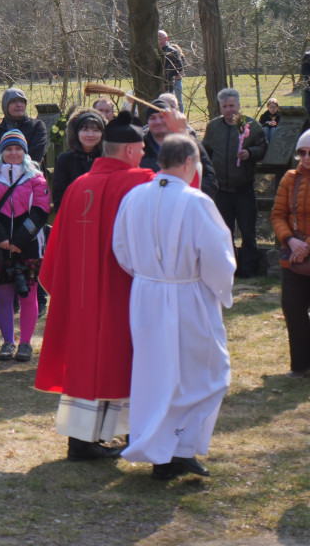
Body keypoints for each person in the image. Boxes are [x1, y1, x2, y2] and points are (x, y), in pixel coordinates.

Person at [34, 109, 184, 461]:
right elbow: (184, 191)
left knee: (88, 359)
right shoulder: (142, 182)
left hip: (82, 296)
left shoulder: (77, 185)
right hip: (126, 293)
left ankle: (81, 439)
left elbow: (55, 255)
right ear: (133, 151)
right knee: (130, 360)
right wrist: (181, 133)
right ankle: (137, 433)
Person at [113, 135, 235, 482]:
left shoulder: (134, 197)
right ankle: (173, 450)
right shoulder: (196, 202)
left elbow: (120, 248)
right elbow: (217, 258)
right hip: (187, 295)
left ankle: (166, 450)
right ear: (188, 163)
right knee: (206, 373)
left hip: (147, 294)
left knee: (155, 373)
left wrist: (146, 277)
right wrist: (219, 291)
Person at [0, 129, 51, 363]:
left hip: (27, 244)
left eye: (18, 148)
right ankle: (7, 342)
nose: (13, 152)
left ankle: (25, 343)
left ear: (25, 151)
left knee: (27, 293)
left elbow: (40, 211)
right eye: (9, 149)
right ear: (2, 152)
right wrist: (1, 238)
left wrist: (18, 241)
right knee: (4, 295)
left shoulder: (36, 178)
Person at [202, 87, 267, 278]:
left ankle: (248, 270)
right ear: (220, 107)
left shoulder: (252, 126)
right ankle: (228, 269)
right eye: (225, 106)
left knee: (248, 232)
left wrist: (250, 153)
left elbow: (263, 148)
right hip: (221, 191)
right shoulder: (213, 127)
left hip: (244, 190)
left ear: (239, 105)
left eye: (232, 106)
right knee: (224, 233)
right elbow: (205, 152)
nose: (229, 110)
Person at [271, 129, 310, 377]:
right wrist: (290, 241)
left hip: (303, 249)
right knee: (292, 308)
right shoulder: (289, 178)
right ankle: (300, 366)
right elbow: (277, 215)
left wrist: (306, 246)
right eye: (302, 152)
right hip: (294, 253)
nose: (306, 157)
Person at [141, 100, 218, 199]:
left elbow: (210, 179)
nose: (158, 122)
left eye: (162, 117)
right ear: (147, 122)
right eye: (152, 118)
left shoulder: (190, 143)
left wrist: (190, 196)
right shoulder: (141, 148)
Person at [51, 110, 104, 209]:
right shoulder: (65, 160)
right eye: (85, 129)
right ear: (76, 132)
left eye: (96, 130)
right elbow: (59, 195)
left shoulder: (107, 158)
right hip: (73, 216)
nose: (90, 134)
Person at [0, 88, 48, 168]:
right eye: (14, 101)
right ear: (5, 105)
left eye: (22, 101)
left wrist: (6, 162)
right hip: (1, 179)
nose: (19, 105)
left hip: (31, 178)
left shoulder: (37, 127)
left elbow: (35, 156)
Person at [158, 29, 186, 112]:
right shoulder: (154, 52)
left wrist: (171, 74)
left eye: (161, 38)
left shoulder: (172, 51)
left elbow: (179, 67)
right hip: (158, 82)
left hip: (172, 81)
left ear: (166, 39)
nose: (159, 41)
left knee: (176, 101)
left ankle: (180, 118)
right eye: (157, 38)